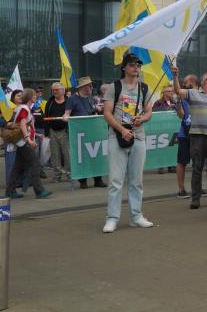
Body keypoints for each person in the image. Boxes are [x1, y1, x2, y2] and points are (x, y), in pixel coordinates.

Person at [102, 53, 155, 233]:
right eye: (132, 64)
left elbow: (149, 112)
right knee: (115, 181)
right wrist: (122, 130)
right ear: (124, 67)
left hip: (138, 136)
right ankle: (112, 218)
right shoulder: (114, 87)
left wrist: (143, 119)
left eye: (138, 65)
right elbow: (107, 113)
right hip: (117, 136)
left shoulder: (145, 88)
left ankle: (136, 216)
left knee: (136, 180)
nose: (136, 67)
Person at [177, 71, 207, 209]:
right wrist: (175, 76)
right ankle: (195, 198)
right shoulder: (193, 93)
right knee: (197, 168)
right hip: (198, 136)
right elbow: (177, 91)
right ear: (206, 81)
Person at [4, 90, 51, 199]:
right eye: (34, 95)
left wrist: (36, 134)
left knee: (17, 166)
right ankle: (39, 190)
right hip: (23, 142)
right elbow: (22, 124)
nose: (36, 96)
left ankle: (10, 190)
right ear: (29, 97)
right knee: (35, 163)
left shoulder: (24, 108)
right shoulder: (24, 108)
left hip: (21, 142)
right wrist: (28, 139)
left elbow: (26, 125)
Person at [64, 78, 106, 189]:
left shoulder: (90, 99)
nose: (91, 88)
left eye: (91, 86)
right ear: (82, 87)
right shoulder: (72, 99)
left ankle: (98, 179)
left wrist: (97, 109)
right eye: (89, 86)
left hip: (92, 130)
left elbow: (91, 110)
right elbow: (67, 113)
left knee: (96, 155)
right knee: (82, 157)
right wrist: (65, 117)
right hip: (79, 133)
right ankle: (83, 181)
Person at [43, 82, 70, 183]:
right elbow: (46, 117)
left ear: (63, 91)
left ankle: (69, 174)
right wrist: (47, 133)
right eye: (53, 90)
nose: (54, 92)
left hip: (65, 131)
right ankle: (57, 175)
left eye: (57, 90)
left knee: (67, 154)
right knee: (55, 155)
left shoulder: (69, 102)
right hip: (52, 131)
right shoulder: (50, 102)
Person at [153, 87, 178, 175]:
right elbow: (155, 114)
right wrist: (167, 108)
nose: (171, 93)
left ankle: (171, 165)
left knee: (172, 146)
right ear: (164, 93)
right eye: (169, 91)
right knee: (162, 147)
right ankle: (161, 166)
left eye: (172, 91)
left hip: (172, 126)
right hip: (162, 127)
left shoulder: (175, 102)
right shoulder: (158, 103)